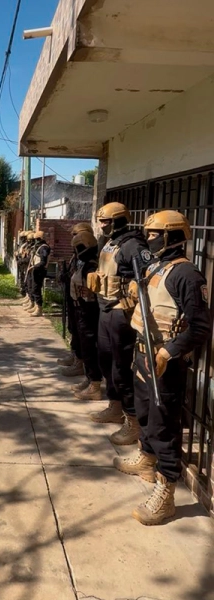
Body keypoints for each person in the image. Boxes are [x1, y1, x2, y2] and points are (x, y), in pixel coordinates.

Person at [112, 210, 211, 525]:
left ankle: (166, 491)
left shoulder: (188, 275)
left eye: (155, 234)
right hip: (143, 353)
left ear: (173, 236)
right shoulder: (156, 266)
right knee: (144, 414)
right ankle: (146, 459)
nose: (149, 239)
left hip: (164, 363)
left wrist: (168, 353)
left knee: (163, 425)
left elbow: (200, 327)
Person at [85, 202, 152, 445]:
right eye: (101, 221)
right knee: (105, 360)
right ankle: (115, 406)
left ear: (119, 220)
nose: (102, 225)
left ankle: (133, 421)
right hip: (105, 308)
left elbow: (146, 275)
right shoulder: (111, 242)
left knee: (121, 367)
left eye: (106, 221)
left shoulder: (133, 244)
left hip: (120, 312)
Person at [69, 228, 105, 401]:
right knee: (85, 347)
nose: (77, 251)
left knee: (90, 348)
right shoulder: (83, 263)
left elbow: (96, 290)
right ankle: (90, 379)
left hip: (89, 311)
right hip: (81, 309)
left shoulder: (92, 265)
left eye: (79, 247)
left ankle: (95, 385)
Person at [58, 223, 93, 376]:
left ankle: (80, 363)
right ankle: (75, 356)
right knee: (73, 328)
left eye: (76, 235)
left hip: (83, 301)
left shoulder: (89, 257)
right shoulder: (76, 256)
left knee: (82, 334)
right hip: (73, 297)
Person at [25, 231, 50, 317]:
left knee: (36, 289)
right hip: (35, 270)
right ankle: (36, 305)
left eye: (37, 239)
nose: (36, 241)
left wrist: (34, 267)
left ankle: (39, 308)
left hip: (40, 271)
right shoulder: (39, 247)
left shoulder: (44, 248)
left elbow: (43, 262)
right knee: (33, 288)